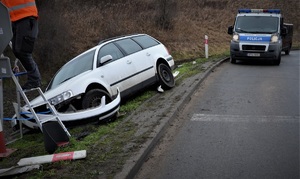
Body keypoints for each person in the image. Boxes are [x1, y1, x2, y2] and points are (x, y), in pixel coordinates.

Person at [1, 0, 41, 90]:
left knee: (22, 51)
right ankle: (34, 78)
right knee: (16, 50)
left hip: (27, 17)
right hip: (16, 19)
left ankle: (35, 79)